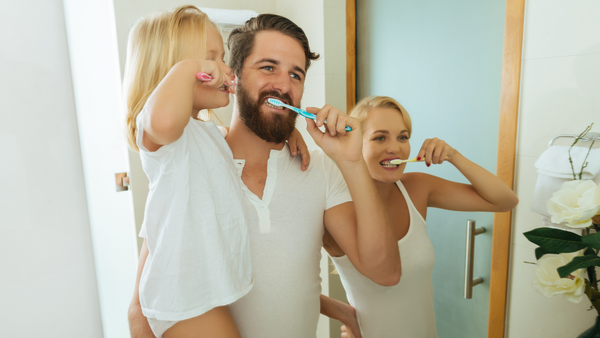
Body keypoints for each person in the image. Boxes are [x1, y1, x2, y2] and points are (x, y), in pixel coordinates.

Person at [128, 13, 401, 338]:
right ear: (236, 74)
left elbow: (384, 272)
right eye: (268, 67)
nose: (284, 85)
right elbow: (143, 309)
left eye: (296, 75)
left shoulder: (320, 169)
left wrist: (353, 162)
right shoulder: (193, 166)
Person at [123, 6, 311, 338]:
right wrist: (189, 68)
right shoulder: (163, 135)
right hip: (185, 300)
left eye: (222, 58)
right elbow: (164, 120)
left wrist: (285, 130)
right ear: (173, 70)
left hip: (203, 297)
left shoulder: (203, 133)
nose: (226, 70)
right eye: (211, 59)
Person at [320, 96, 519, 338]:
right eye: (380, 137)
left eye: (402, 137)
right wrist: (343, 313)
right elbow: (288, 280)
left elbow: (505, 200)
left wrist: (454, 156)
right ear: (354, 142)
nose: (395, 148)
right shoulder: (335, 207)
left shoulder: (415, 187)